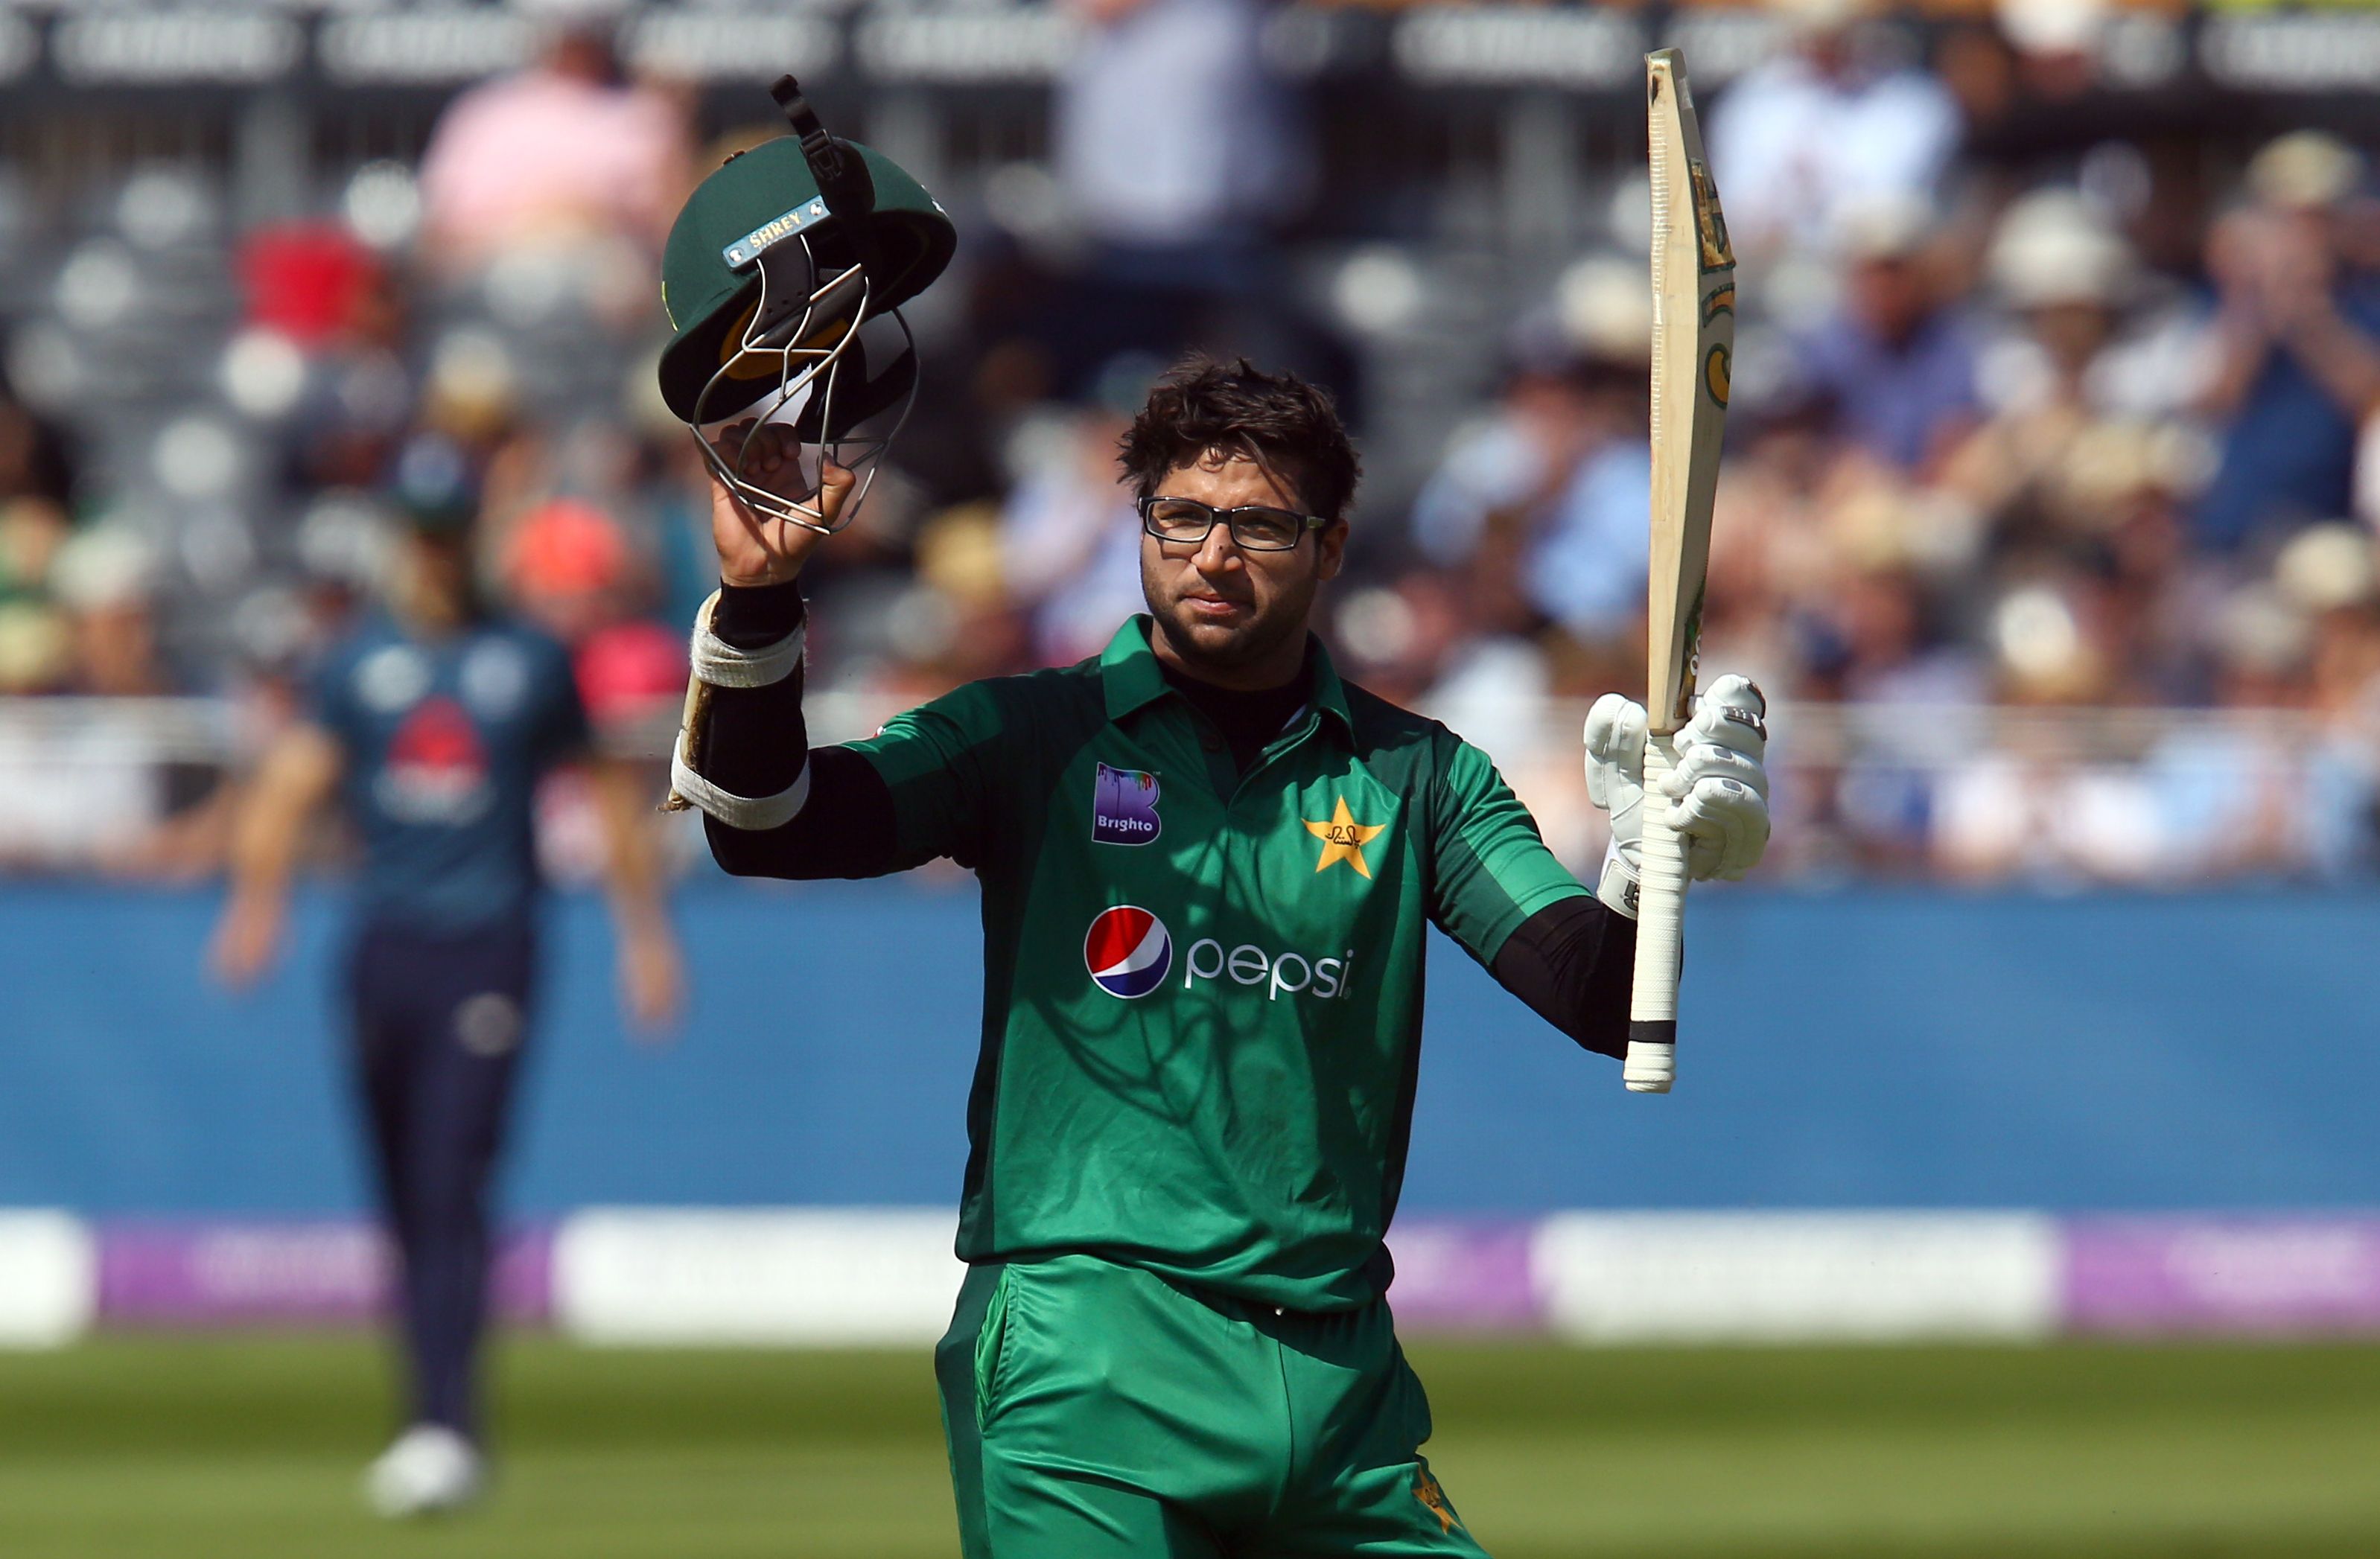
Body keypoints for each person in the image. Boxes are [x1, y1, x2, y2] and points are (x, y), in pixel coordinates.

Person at [669, 357, 1772, 1556]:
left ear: (1332, 547)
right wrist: (758, 603)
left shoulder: (1422, 773)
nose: (1213, 554)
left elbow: (1601, 995)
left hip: (1341, 1381)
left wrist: (1651, 856)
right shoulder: (1028, 734)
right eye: (1182, 517)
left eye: (1259, 525)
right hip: (1090, 1353)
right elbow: (769, 824)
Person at [207, 494, 684, 1517]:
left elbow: (603, 789)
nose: (434, 555)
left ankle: (445, 1425)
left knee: (451, 1174)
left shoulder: (529, 661)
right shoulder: (356, 663)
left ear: (472, 542)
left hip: (490, 943)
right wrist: (258, 901)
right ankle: (427, 1410)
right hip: (385, 947)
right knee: (401, 1195)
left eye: (449, 533)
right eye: (420, 534)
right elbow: (292, 781)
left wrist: (644, 935)